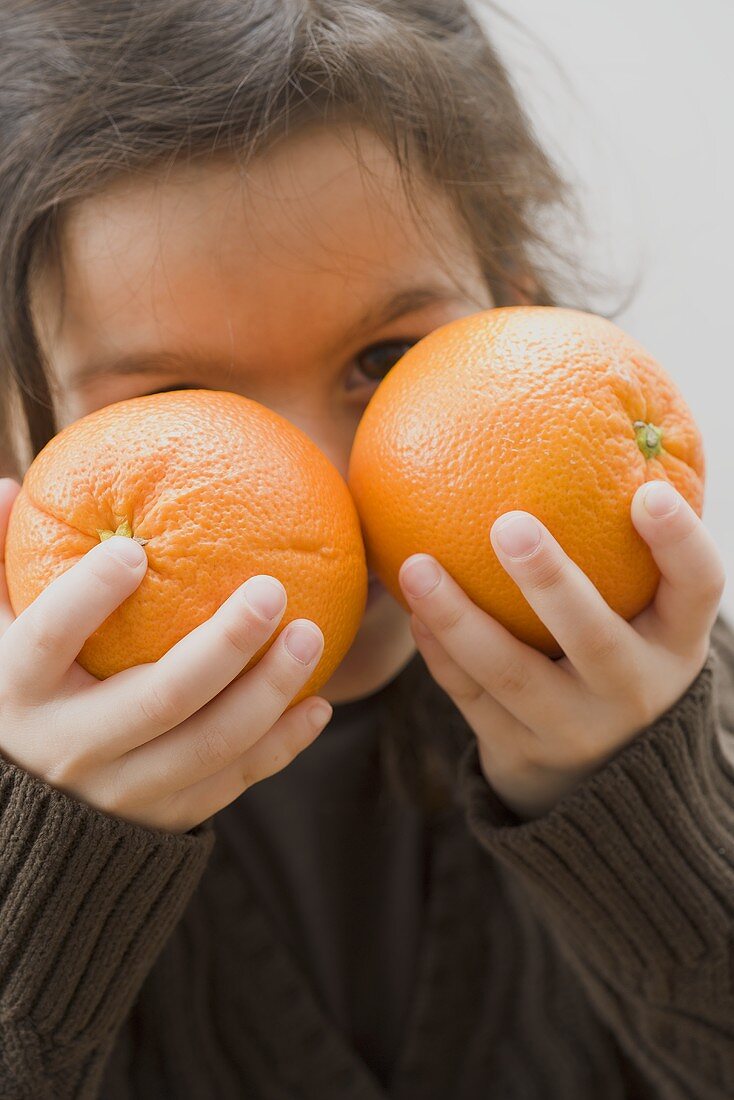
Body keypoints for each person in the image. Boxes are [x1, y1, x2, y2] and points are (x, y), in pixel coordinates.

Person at [0, 2, 732, 1097]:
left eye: (385, 359)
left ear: (519, 311)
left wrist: (628, 802)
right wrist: (51, 871)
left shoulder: (666, 697)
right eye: (186, 400)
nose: (326, 492)